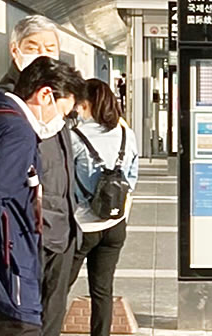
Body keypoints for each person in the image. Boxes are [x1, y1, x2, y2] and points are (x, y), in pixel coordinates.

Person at [0, 16, 83, 336]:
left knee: (51, 320)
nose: (43, 54)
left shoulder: (55, 92)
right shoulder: (12, 105)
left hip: (60, 234)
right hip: (25, 238)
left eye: (50, 47)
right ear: (14, 50)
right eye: (33, 48)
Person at [68, 79, 138, 336]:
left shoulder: (75, 137)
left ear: (86, 104)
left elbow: (65, 182)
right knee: (102, 290)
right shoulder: (126, 134)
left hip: (82, 226)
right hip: (115, 225)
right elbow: (131, 179)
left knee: (59, 287)